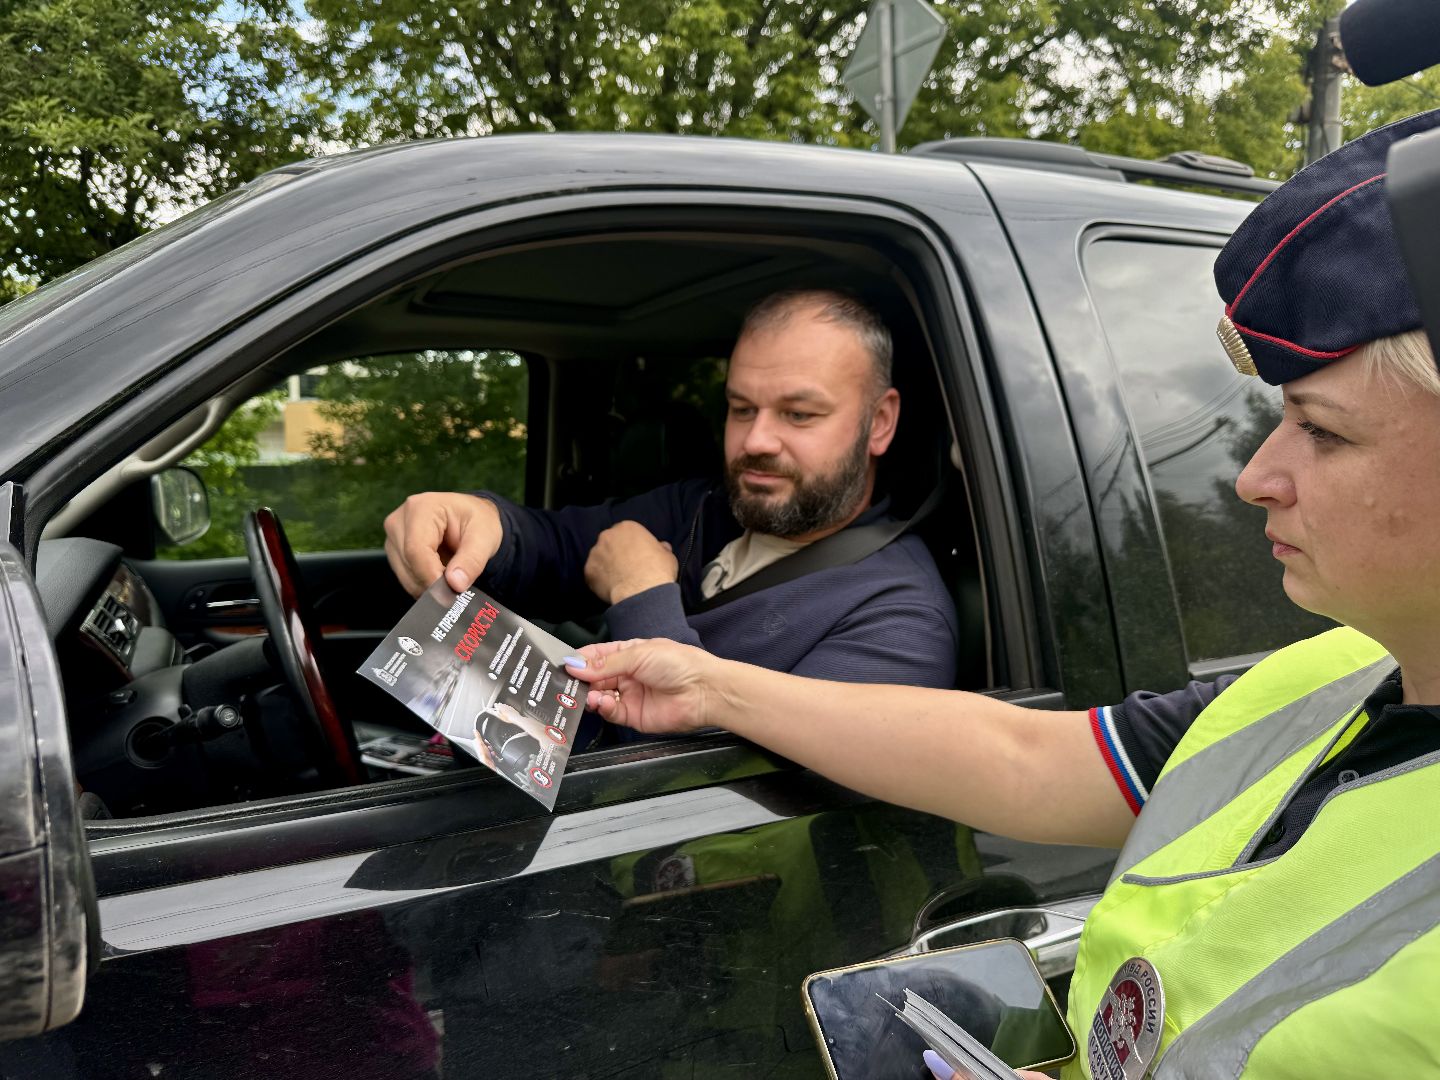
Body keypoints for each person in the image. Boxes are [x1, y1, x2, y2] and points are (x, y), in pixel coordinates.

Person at [561, 109, 1440, 1079]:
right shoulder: (1326, 682)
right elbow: (1028, 758)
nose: (1254, 476)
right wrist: (712, 688)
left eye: (1324, 431)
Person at [383, 288, 960, 700]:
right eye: (740, 409)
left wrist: (641, 595)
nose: (756, 441)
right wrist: (480, 521)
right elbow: (559, 543)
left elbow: (733, 808)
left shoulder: (899, 622)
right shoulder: (708, 506)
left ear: (879, 423)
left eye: (799, 414)